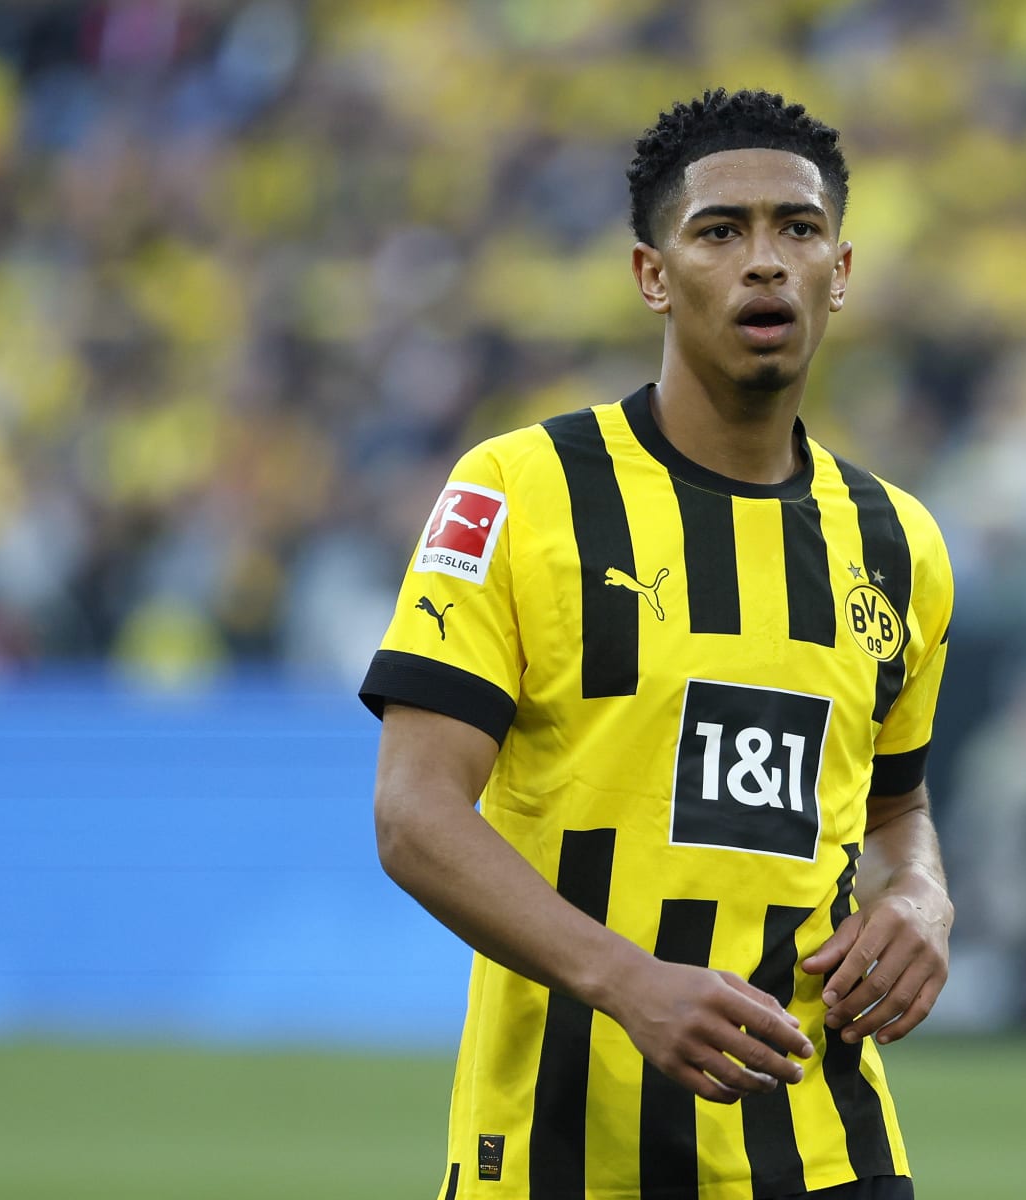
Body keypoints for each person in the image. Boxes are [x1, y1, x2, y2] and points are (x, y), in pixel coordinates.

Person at [360, 89, 954, 1200]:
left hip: (828, 1156)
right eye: (722, 231)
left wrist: (921, 898)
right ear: (652, 274)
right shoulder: (519, 492)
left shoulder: (899, 543)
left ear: (843, 269)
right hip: (558, 1159)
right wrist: (626, 980)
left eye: (799, 228)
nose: (766, 262)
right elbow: (415, 812)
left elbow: (895, 808)